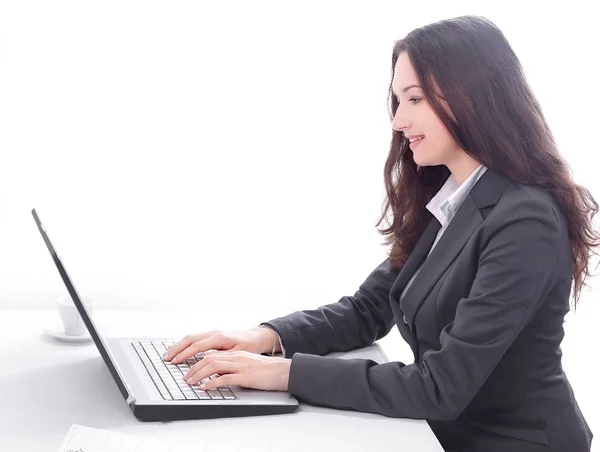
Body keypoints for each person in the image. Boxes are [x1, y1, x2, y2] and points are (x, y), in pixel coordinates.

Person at [163, 15, 598, 451]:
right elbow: (368, 310)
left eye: (415, 99)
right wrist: (267, 339)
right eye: (397, 100)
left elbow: (439, 387)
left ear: (473, 95)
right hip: (441, 434)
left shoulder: (525, 221)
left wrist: (285, 374)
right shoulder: (453, 197)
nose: (398, 120)